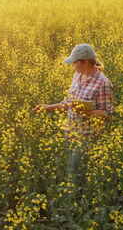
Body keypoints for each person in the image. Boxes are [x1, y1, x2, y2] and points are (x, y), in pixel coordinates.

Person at [33, 43, 114, 192]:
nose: (72, 66)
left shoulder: (103, 83)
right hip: (70, 131)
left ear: (84, 62)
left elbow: (107, 113)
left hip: (87, 137)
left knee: (76, 172)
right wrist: (48, 107)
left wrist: (87, 113)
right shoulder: (77, 75)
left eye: (74, 62)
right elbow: (69, 102)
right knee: (71, 169)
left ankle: (76, 202)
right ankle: (74, 197)